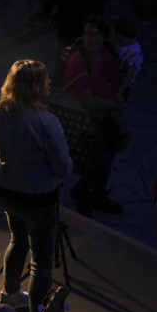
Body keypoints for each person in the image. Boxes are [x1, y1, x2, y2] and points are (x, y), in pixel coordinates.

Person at [0, 59, 71, 312]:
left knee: (17, 239)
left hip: (9, 193)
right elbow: (62, 168)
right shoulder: (47, 122)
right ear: (35, 87)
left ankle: (9, 293)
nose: (50, 84)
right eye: (46, 80)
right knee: (42, 262)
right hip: (39, 199)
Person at [64, 16, 125, 217]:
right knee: (98, 160)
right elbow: (87, 100)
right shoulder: (78, 61)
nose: (91, 38)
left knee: (106, 159)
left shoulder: (109, 52)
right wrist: (114, 105)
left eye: (96, 33)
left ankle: (94, 195)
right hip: (86, 121)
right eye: (87, 33)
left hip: (107, 117)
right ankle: (84, 197)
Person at [113, 16, 144, 103]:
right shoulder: (121, 44)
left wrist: (119, 93)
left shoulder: (135, 54)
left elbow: (129, 76)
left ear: (119, 36)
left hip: (125, 85)